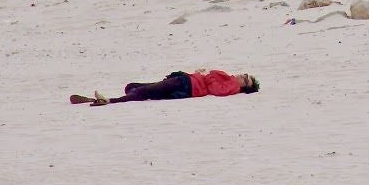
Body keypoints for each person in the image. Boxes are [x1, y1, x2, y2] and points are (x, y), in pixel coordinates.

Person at [70, 69, 259, 106]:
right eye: (245, 75)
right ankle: (129, 95)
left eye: (246, 79)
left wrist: (206, 75)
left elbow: (215, 90)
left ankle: (109, 101)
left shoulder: (232, 86)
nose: (242, 75)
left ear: (244, 86)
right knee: (133, 87)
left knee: (144, 92)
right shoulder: (229, 79)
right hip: (185, 81)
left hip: (186, 84)